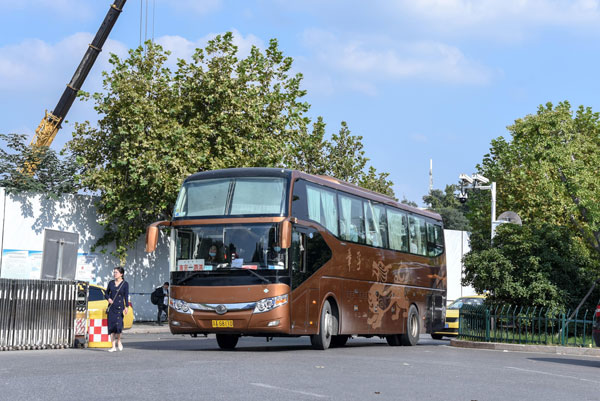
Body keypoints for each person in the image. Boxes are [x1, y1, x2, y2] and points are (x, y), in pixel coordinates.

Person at [105, 266, 129, 352]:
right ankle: (113, 346)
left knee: (118, 326)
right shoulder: (111, 283)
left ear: (121, 274)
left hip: (120, 308)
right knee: (111, 327)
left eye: (116, 272)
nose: (114, 274)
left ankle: (119, 341)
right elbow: (106, 293)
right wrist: (108, 299)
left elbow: (126, 296)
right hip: (111, 308)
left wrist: (126, 306)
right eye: (114, 272)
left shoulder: (125, 284)